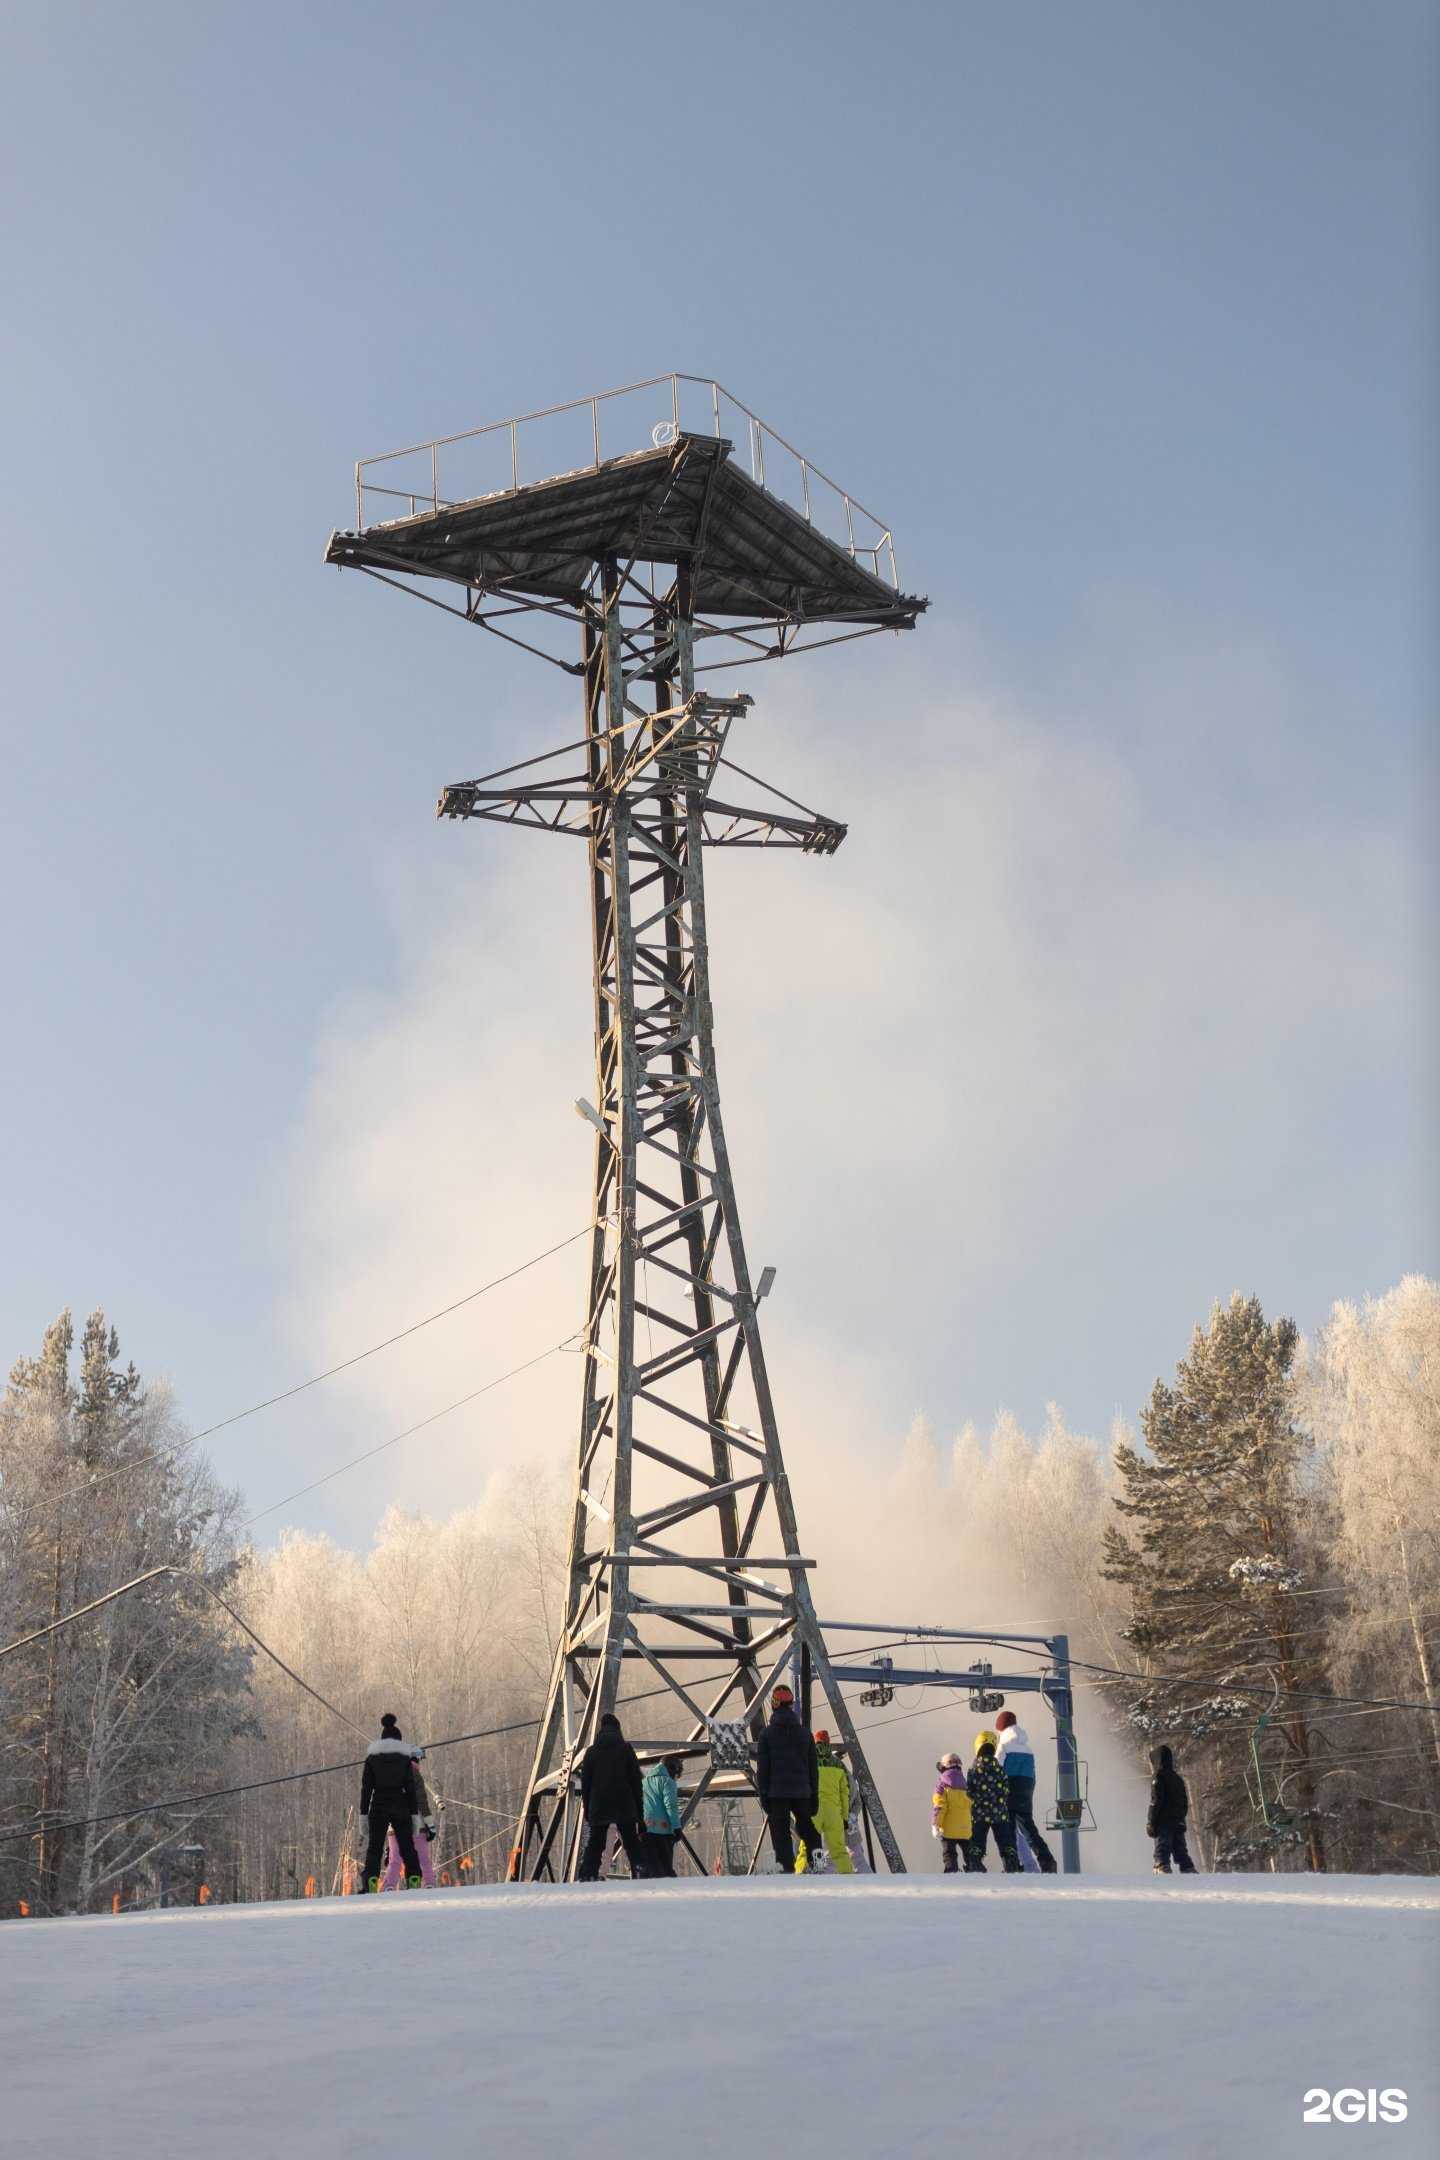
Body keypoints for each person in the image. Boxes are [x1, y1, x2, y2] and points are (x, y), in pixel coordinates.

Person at [756, 1684, 820, 1874]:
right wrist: (813, 1794)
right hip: (802, 1791)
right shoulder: (805, 1734)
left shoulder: (766, 1735)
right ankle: (818, 1863)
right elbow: (812, 1769)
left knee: (780, 1830)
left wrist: (764, 1795)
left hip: (777, 1793)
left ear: (774, 1705)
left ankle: (786, 1867)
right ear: (792, 1705)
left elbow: (763, 1769)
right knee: (808, 1828)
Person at [359, 1712, 424, 1892]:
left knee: (375, 1847)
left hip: (378, 1804)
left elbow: (366, 1789)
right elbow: (411, 1789)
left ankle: (371, 1880)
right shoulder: (404, 1759)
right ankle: (413, 1878)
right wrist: (413, 1815)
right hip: (400, 1804)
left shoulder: (372, 1759)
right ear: (399, 1741)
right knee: (407, 1846)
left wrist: (363, 1814)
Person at [578, 1711, 647, 1881]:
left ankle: (588, 1874)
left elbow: (585, 1784)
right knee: (631, 1841)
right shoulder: (626, 1749)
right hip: (624, 1803)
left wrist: (587, 1810)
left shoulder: (591, 1752)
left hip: (599, 1804)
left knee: (596, 1842)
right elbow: (636, 1782)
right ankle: (640, 1871)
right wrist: (640, 1814)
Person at [993, 1709, 1058, 1873]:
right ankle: (1047, 1860)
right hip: (1026, 1789)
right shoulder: (1028, 1749)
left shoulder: (1004, 1746)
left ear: (1001, 1728)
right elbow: (1032, 1774)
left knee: (1008, 1830)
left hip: (1009, 1787)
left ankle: (1012, 1864)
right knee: (1028, 1828)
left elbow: (997, 1769)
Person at [382, 1744, 439, 1889]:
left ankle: (389, 1886)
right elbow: (422, 1801)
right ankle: (429, 1884)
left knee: (395, 1860)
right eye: (418, 1759)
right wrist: (430, 1824)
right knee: (423, 1859)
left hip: (394, 1826)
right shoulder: (414, 1774)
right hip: (416, 1825)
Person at [797, 1732, 854, 1874]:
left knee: (807, 1848)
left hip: (813, 1811)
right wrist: (845, 1818)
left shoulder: (807, 1760)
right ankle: (848, 1878)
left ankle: (804, 1876)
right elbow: (845, 1794)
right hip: (834, 1813)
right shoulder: (838, 1764)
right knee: (839, 1850)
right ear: (828, 1743)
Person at [966, 1732, 1022, 1873]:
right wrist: (1000, 1800)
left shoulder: (973, 1770)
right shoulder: (999, 1769)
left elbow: (969, 1791)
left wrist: (978, 1799)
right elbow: (1006, 1789)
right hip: (999, 1813)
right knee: (1005, 1840)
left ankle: (975, 1863)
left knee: (978, 1840)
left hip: (979, 1813)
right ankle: (1011, 1864)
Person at [1147, 1743, 1197, 1874]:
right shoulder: (1178, 1779)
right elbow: (1185, 1802)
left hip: (1164, 1821)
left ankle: (1161, 1866)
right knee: (1180, 1849)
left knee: (1162, 1848)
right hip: (1178, 1820)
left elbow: (1156, 1800)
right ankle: (1188, 1868)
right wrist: (1180, 1817)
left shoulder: (1158, 1776)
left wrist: (1151, 1821)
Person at [642, 1754, 685, 1877]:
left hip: (644, 1830)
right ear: (672, 1769)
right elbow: (670, 1806)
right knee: (665, 1869)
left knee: (651, 1868)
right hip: (663, 1832)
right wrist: (677, 1828)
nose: (676, 1778)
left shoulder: (644, 1782)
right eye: (677, 1774)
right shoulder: (667, 1782)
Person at [931, 1751, 974, 1874]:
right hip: (965, 1828)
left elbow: (940, 1806)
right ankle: (973, 1869)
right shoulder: (965, 1783)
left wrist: (935, 1824)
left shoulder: (941, 1784)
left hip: (948, 1828)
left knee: (949, 1853)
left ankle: (951, 1871)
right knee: (968, 1852)